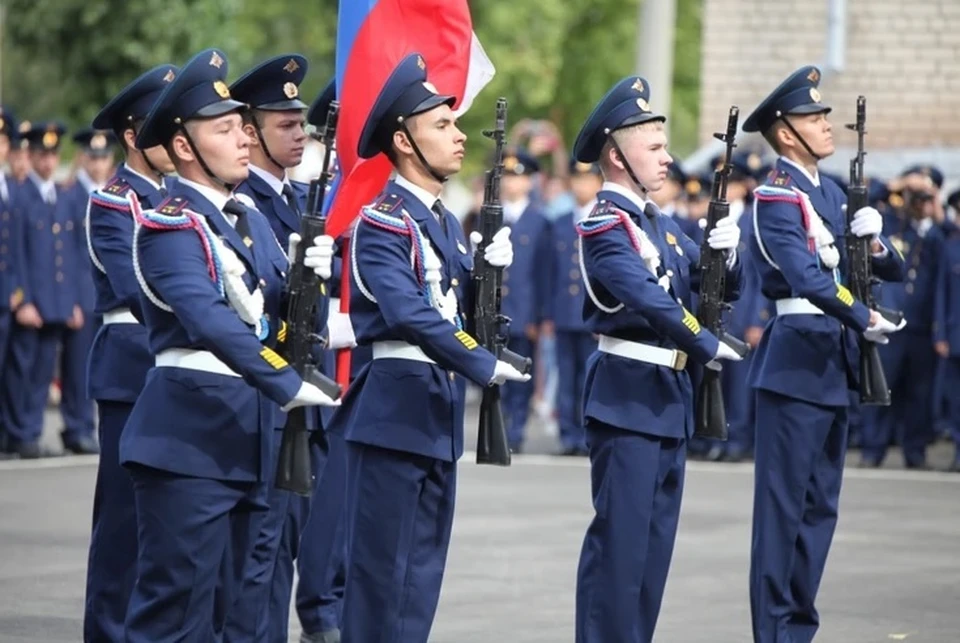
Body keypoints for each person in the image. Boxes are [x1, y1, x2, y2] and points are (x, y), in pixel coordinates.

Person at [120, 47, 339, 642]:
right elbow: (212, 320)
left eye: (243, 125)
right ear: (185, 147)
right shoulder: (170, 224)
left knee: (234, 614)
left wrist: (309, 290)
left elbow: (282, 324)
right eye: (225, 128)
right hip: (190, 440)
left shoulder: (250, 220)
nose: (244, 138)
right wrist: (286, 380)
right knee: (175, 619)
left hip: (251, 438)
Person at [326, 52, 528, 643]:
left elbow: (459, 311)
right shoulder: (385, 222)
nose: (459, 135)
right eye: (441, 125)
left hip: (433, 414)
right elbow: (410, 313)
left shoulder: (442, 224)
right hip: (393, 412)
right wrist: (481, 362)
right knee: (380, 583)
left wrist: (487, 280)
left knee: (419, 584)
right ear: (404, 141)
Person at [572, 75, 744, 643]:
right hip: (626, 398)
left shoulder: (660, 226)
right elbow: (648, 297)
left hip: (667, 400)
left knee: (650, 559)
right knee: (619, 555)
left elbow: (714, 284)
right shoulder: (604, 225)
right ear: (616, 156)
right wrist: (705, 341)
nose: (667, 158)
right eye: (654, 147)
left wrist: (728, 251)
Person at [743, 65, 905, 642]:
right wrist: (864, 317)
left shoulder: (833, 193)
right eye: (813, 117)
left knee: (819, 513)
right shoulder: (776, 197)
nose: (826, 125)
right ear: (786, 132)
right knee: (782, 514)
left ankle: (799, 630)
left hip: (832, 365)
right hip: (795, 366)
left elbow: (893, 267)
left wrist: (878, 239)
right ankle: (773, 633)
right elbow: (807, 278)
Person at [228, 55, 350, 643]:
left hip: (298, 399)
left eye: (302, 123)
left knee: (280, 550)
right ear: (249, 130)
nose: (301, 133)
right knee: (258, 559)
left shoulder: (285, 202)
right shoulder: (243, 204)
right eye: (286, 124)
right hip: (264, 401)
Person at [81, 63, 178, 643]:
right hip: (131, 366)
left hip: (166, 368)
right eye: (162, 129)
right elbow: (140, 286)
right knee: (121, 527)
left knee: (164, 527)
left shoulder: (172, 201)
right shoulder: (116, 204)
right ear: (133, 137)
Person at [2, 121, 97, 458]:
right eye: (41, 155)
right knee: (21, 372)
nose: (47, 162)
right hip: (32, 304)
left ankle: (29, 432)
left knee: (42, 373)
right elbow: (15, 254)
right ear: (31, 155)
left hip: (56, 303)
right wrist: (22, 299)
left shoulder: (58, 194)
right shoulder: (20, 194)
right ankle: (19, 433)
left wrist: (71, 300)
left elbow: (68, 256)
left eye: (53, 155)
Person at [296, 79, 351, 643]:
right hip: (320, 350)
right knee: (321, 494)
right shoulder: (314, 191)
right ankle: (321, 608)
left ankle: (337, 600)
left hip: (358, 351)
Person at [545, 158, 602, 455]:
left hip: (593, 314)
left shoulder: (606, 220)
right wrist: (547, 314)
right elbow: (549, 271)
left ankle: (587, 434)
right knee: (565, 377)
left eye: (588, 180)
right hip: (564, 312)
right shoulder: (559, 222)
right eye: (577, 180)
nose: (582, 186)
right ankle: (568, 435)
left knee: (589, 378)